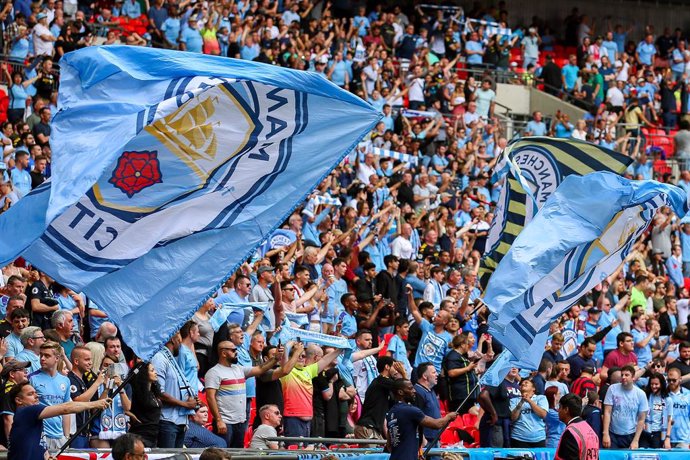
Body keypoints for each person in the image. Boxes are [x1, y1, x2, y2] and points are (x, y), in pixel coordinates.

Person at [7, 381, 110, 460]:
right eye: (30, 394)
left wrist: (46, 456)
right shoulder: (27, 411)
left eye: (36, 393)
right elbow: (66, 408)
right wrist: (95, 404)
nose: (36, 396)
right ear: (18, 400)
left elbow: (38, 443)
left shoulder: (31, 417)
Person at [205, 340, 277, 447]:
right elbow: (210, 397)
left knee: (237, 453)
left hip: (240, 422)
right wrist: (219, 420)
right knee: (223, 453)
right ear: (224, 353)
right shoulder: (214, 372)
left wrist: (275, 359)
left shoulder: (239, 369)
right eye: (233, 350)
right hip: (226, 422)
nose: (236, 352)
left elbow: (260, 369)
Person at [385, 379, 457, 460]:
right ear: (400, 392)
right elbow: (436, 424)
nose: (414, 391)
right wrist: (449, 417)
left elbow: (389, 445)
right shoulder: (410, 410)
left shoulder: (391, 413)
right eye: (410, 388)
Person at [602, 365, 648, 449]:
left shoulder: (640, 394)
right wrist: (605, 434)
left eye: (626, 375)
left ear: (633, 377)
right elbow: (607, 412)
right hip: (613, 433)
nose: (623, 377)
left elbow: (641, 419)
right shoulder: (612, 389)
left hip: (631, 434)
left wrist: (636, 440)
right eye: (622, 375)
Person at [555, 393, 600, 460]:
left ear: (566, 410)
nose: (558, 410)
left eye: (560, 407)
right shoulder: (589, 429)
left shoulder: (571, 433)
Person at [128, 362, 162, 447]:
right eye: (152, 370)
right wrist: (127, 412)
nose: (155, 372)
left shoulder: (153, 392)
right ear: (144, 374)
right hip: (141, 435)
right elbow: (126, 406)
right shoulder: (137, 392)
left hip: (154, 435)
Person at [509, 379, 548, 447]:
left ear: (533, 388)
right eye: (521, 384)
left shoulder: (541, 398)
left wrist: (529, 400)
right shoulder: (513, 400)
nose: (523, 384)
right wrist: (521, 402)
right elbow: (513, 418)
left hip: (539, 438)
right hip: (518, 438)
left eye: (526, 382)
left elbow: (543, 414)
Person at [642, 372, 673, 448]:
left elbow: (669, 420)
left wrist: (667, 438)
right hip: (644, 432)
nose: (653, 386)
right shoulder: (646, 396)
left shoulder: (668, 400)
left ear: (662, 384)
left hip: (658, 434)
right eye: (652, 384)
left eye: (656, 384)